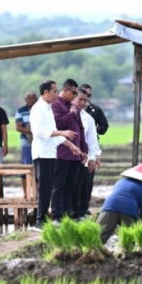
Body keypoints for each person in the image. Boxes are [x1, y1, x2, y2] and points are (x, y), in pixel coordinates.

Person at [30, 80, 81, 229]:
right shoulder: (38, 108)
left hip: (51, 153)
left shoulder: (48, 108)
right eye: (54, 91)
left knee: (49, 187)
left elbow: (55, 135)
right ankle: (40, 221)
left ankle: (44, 220)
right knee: (45, 188)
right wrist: (62, 131)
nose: (56, 94)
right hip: (42, 153)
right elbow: (39, 132)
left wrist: (72, 146)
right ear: (46, 92)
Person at [51, 79, 89, 222]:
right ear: (65, 90)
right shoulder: (56, 105)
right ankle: (57, 216)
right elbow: (58, 124)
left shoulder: (73, 107)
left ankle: (69, 215)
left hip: (76, 154)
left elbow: (80, 129)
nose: (74, 96)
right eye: (73, 92)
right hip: (62, 152)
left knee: (71, 186)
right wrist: (72, 113)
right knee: (59, 186)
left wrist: (84, 149)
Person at [97, 163, 142, 245]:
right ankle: (127, 254)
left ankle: (91, 252)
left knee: (99, 235)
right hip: (128, 210)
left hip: (110, 206)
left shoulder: (120, 182)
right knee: (129, 238)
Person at [74, 88, 102, 220]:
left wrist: (93, 158)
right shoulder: (65, 114)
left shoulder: (88, 119)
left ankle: (81, 211)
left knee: (84, 186)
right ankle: (69, 213)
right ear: (74, 98)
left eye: (85, 100)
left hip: (84, 158)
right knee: (69, 187)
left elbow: (92, 141)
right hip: (68, 157)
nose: (82, 103)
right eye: (80, 99)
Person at [79, 83, 107, 215]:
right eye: (83, 96)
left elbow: (104, 126)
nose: (85, 99)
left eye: (88, 96)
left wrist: (95, 129)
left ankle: (84, 207)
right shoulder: (74, 110)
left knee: (88, 181)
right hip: (76, 148)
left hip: (91, 146)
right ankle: (75, 208)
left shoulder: (95, 110)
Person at [15, 90, 38, 198]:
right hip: (26, 141)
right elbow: (18, 127)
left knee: (38, 167)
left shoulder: (40, 109)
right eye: (29, 97)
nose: (31, 99)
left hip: (39, 141)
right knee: (26, 166)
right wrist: (32, 132)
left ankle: (37, 194)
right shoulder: (21, 111)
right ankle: (26, 194)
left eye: (33, 97)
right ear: (25, 99)